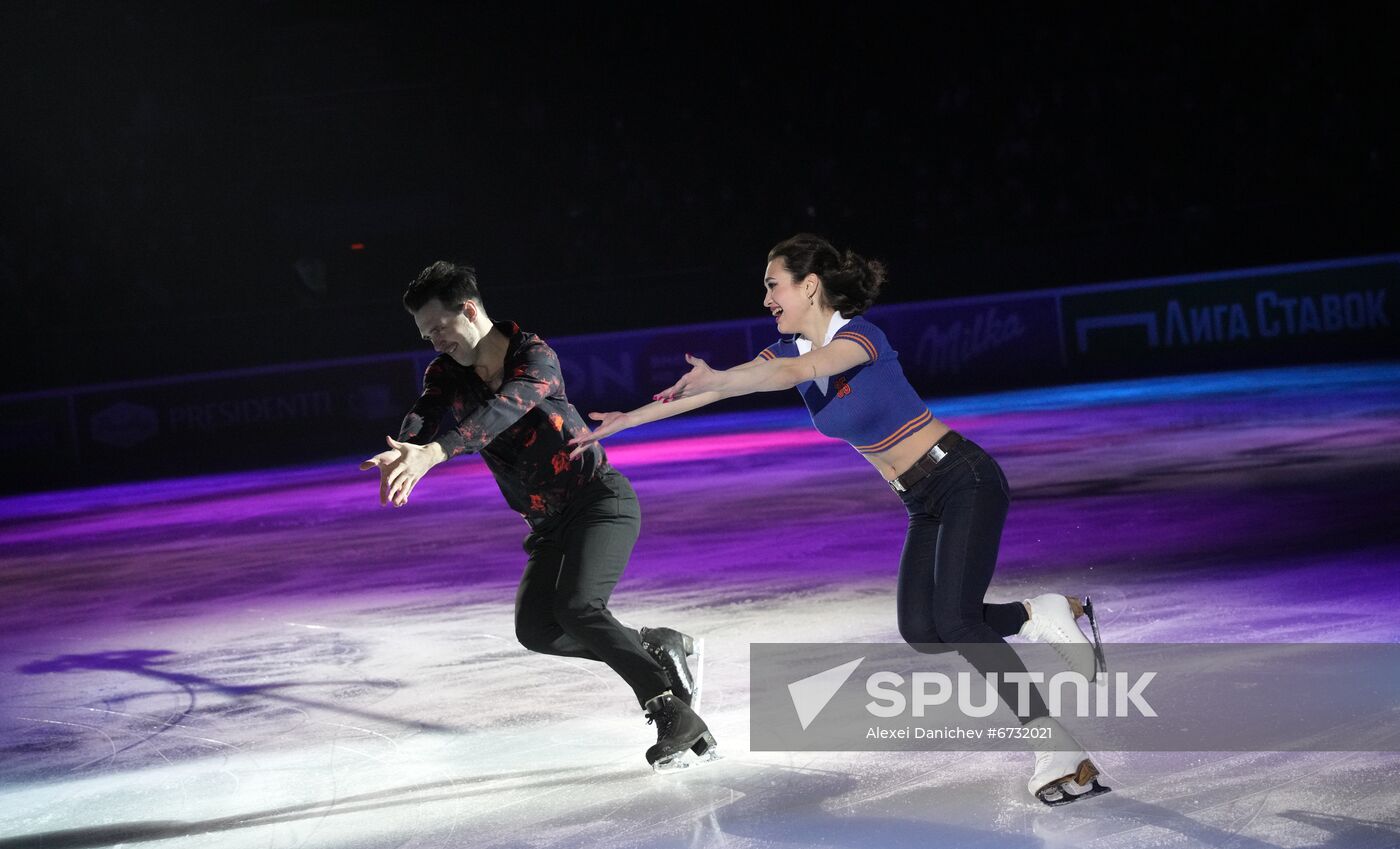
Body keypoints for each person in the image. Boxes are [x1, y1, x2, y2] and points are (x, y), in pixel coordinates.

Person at [569, 234, 1109, 805]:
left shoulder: (858, 337)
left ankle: (1059, 750)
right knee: (923, 631)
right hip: (920, 500)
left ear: (810, 286)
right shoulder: (786, 355)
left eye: (773, 286)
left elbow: (790, 372)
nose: (767, 300)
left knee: (957, 619)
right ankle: (1038, 613)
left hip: (962, 478)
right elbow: (719, 390)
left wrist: (723, 378)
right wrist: (627, 420)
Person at [360, 260, 717, 771]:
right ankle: (655, 646)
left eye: (440, 327)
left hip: (598, 501)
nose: (435, 341)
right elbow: (425, 410)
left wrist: (436, 453)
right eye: (425, 334)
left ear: (469, 309)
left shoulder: (535, 356)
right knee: (538, 630)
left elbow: (503, 410)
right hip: (547, 524)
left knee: (578, 607)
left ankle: (670, 710)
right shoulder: (444, 373)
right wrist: (407, 447)